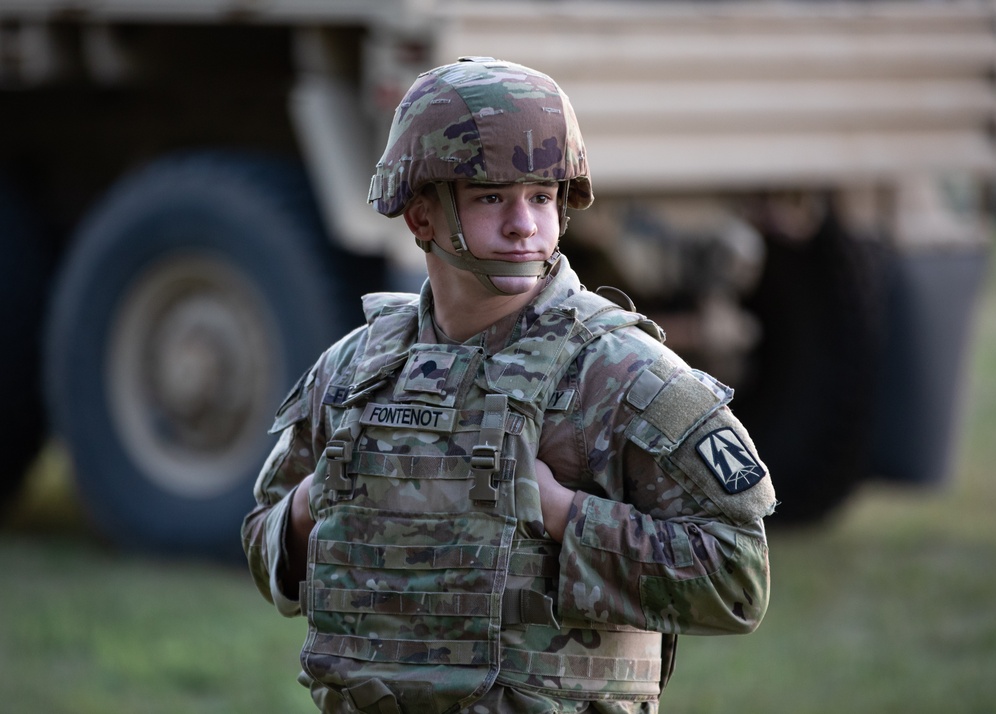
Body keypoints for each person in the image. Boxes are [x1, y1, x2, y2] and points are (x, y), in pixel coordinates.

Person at [242, 56, 776, 714]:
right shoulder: (353, 375)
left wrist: (563, 515)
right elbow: (266, 539)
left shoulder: (620, 376)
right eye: (492, 196)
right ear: (421, 217)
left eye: (543, 197)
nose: (526, 224)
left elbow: (737, 576)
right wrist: (312, 509)